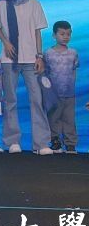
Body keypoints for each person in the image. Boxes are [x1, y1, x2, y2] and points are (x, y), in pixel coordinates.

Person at [0, 0, 52, 154]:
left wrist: (40, 56)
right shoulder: (1, 3)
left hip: (31, 58)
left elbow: (37, 33)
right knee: (10, 100)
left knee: (37, 99)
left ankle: (41, 143)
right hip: (9, 58)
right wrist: (6, 43)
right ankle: (12, 141)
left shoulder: (34, 3)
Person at [44, 21, 79, 154]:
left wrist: (72, 87)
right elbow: (45, 73)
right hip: (53, 93)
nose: (65, 37)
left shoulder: (73, 53)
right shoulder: (48, 53)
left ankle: (70, 144)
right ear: (54, 35)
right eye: (62, 34)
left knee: (69, 118)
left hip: (69, 93)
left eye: (68, 34)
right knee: (53, 118)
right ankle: (55, 141)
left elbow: (74, 70)